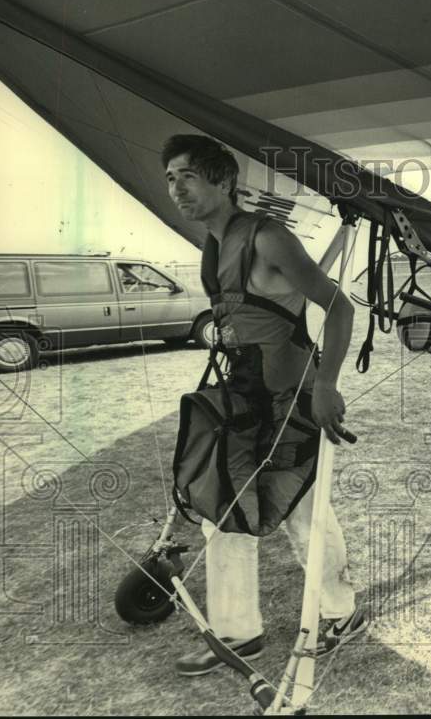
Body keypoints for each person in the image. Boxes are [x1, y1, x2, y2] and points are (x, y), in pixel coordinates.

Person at [162, 135, 368, 676]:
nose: (176, 189)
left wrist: (326, 385)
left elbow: (338, 307)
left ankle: (342, 613)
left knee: (303, 510)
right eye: (169, 178)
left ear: (223, 181)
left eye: (187, 176)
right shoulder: (214, 244)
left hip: (290, 398)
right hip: (244, 395)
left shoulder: (267, 237)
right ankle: (237, 633)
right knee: (223, 505)